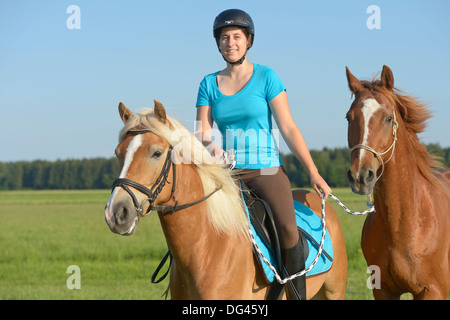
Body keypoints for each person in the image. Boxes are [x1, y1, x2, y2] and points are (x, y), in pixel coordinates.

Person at [195, 8, 331, 300]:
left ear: (248, 41)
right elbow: (202, 132)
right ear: (217, 44)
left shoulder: (267, 77)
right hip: (227, 174)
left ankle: (295, 295)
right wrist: (214, 149)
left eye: (236, 37)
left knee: (287, 230)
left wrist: (313, 171)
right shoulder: (208, 84)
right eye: (224, 38)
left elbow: (289, 128)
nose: (230, 42)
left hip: (266, 170)